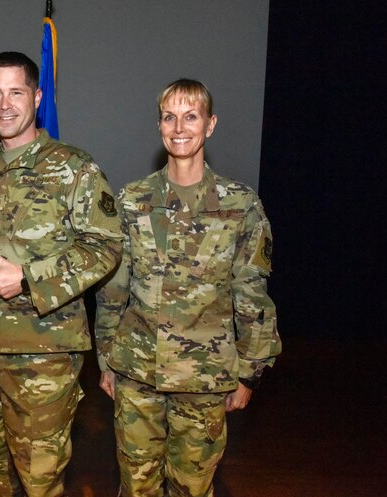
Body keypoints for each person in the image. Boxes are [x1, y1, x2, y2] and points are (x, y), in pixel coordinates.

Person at [95, 78, 282, 497]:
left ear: (210, 125)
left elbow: (251, 292)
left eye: (191, 116)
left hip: (205, 380)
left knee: (193, 488)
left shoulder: (241, 205)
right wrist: (106, 359)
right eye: (169, 117)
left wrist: (249, 373)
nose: (179, 127)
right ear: (159, 125)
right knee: (136, 486)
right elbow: (112, 291)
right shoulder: (132, 200)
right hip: (137, 372)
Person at [0, 51, 124, 497]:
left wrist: (27, 278)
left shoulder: (74, 168)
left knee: (40, 478)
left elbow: (106, 246)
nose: (5, 104)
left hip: (44, 355)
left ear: (37, 96)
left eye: (16, 91)